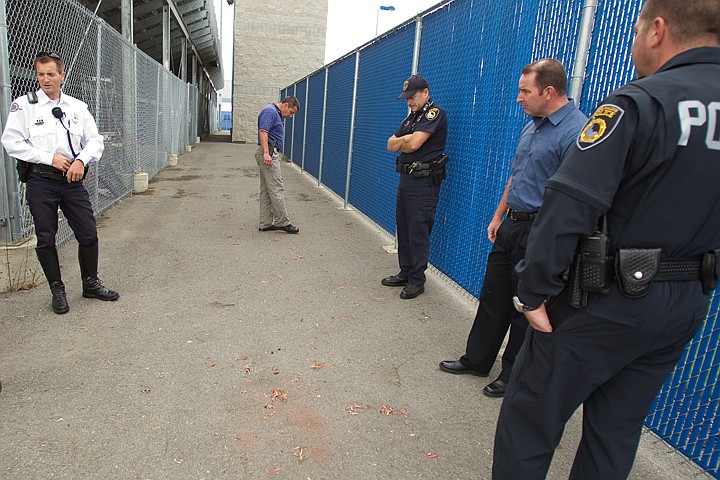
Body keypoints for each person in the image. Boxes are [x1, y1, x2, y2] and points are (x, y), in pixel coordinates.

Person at [492, 1, 720, 477]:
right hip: (685, 301)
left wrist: (533, 291)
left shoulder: (642, 102)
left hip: (601, 298)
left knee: (530, 422)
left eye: (637, 28)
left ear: (657, 30)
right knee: (615, 431)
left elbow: (570, 205)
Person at [439, 59, 587, 397]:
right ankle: (476, 360)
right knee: (493, 297)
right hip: (512, 225)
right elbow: (517, 175)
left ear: (549, 92)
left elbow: (572, 197)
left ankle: (512, 374)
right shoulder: (533, 125)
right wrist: (497, 216)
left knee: (525, 304)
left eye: (524, 91)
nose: (518, 98)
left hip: (541, 230)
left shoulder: (576, 131)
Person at [2, 52, 119, 315]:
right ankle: (57, 290)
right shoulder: (24, 106)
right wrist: (48, 158)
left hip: (72, 180)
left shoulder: (76, 107)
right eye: (41, 74)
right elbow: (11, 143)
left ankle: (90, 283)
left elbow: (95, 140)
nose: (45, 80)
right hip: (40, 180)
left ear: (61, 75)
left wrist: (81, 161)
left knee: (88, 233)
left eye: (51, 74)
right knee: (46, 237)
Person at [382, 74, 448, 299]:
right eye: (407, 99)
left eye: (412, 97)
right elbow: (391, 144)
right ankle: (406, 271)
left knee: (418, 231)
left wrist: (406, 141)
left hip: (424, 183)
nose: (409, 102)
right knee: (405, 227)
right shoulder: (412, 118)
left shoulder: (434, 113)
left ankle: (417, 280)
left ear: (426, 92)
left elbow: (414, 144)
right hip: (407, 180)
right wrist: (405, 141)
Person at [255, 97, 300, 234]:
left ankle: (266, 223)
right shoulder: (271, 112)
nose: (290, 116)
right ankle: (283, 222)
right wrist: (267, 153)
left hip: (267, 152)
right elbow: (263, 131)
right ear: (285, 105)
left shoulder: (274, 113)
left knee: (267, 190)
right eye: (291, 112)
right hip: (268, 152)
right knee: (276, 188)